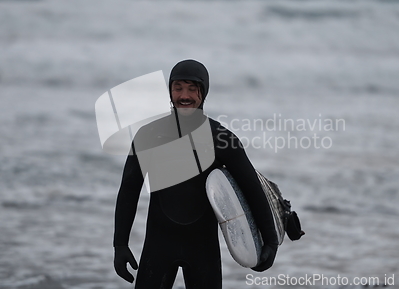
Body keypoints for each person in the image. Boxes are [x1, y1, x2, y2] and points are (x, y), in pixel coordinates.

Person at [113, 59, 279, 289]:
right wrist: (120, 244)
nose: (185, 95)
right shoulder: (148, 135)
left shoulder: (221, 139)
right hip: (158, 245)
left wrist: (270, 241)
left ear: (204, 92)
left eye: (193, 88)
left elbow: (252, 189)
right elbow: (129, 190)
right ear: (170, 90)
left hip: (203, 249)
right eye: (178, 87)